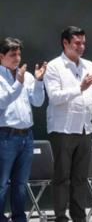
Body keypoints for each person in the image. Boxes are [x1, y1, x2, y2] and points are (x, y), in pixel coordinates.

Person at [44, 26, 92, 222]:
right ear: (65, 43)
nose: (81, 47)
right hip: (62, 129)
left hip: (84, 128)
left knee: (80, 178)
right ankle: (61, 217)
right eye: (77, 43)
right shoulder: (55, 66)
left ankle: (79, 217)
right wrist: (79, 88)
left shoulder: (89, 65)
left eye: (83, 43)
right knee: (62, 177)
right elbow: (54, 98)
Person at [0, 37, 46, 222]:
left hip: (27, 136)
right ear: (1, 56)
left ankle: (19, 218)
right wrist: (17, 84)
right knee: (1, 184)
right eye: (12, 54)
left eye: (19, 54)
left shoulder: (25, 76)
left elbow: (38, 101)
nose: (17, 58)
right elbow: (1, 102)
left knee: (20, 184)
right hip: (5, 136)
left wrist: (39, 81)